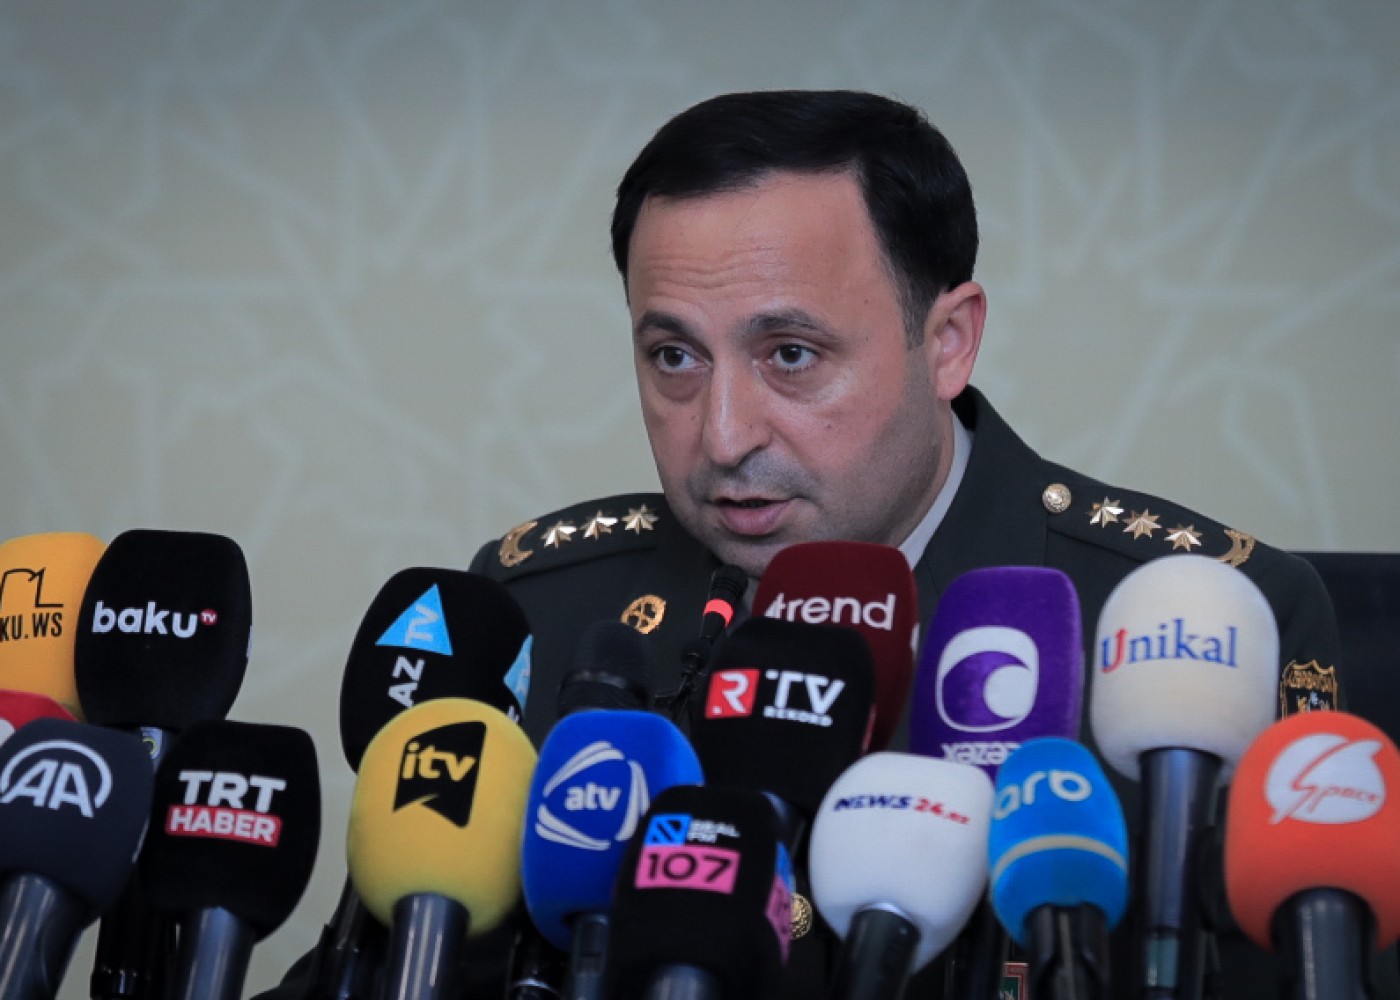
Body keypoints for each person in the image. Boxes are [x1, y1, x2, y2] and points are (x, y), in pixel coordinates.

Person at [467, 90, 1345, 998]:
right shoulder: (540, 606)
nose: (723, 436)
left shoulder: (1206, 627)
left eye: (791, 354)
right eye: (675, 358)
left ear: (950, 343)